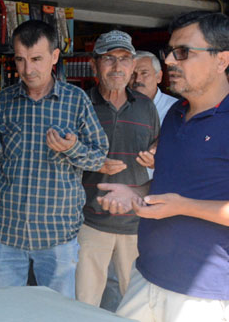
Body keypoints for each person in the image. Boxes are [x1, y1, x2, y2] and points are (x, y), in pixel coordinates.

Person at [97, 11, 229, 322]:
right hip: (146, 276)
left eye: (183, 52)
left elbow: (178, 201)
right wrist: (134, 192)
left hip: (202, 294)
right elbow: (166, 186)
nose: (169, 60)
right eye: (168, 51)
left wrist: (182, 206)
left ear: (222, 60)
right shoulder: (174, 115)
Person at [0, 20, 108, 298]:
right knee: (2, 314)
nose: (28, 69)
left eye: (36, 59)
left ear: (55, 56)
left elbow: (98, 157)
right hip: (6, 231)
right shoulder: (3, 101)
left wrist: (71, 149)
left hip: (57, 234)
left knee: (56, 315)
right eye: (20, 59)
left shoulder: (76, 100)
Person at [75, 31, 160, 307]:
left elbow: (158, 149)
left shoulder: (146, 107)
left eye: (124, 59)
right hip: (88, 221)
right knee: (84, 302)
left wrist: (156, 156)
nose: (117, 66)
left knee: (135, 302)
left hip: (134, 221)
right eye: (109, 59)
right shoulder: (80, 103)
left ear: (133, 65)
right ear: (94, 65)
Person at [130, 51, 179, 124]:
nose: (137, 79)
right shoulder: (119, 108)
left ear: (158, 77)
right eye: (132, 74)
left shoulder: (176, 109)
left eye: (144, 73)